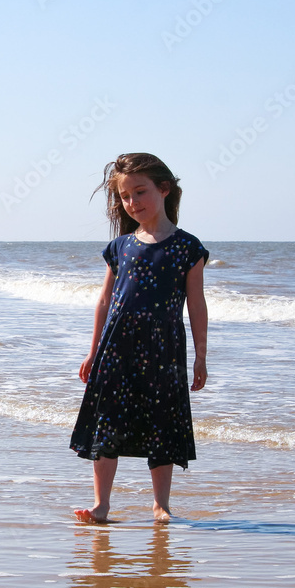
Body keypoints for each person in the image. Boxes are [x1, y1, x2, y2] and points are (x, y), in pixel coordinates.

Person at [70, 153, 209, 524]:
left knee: (162, 424)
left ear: (164, 189)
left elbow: (196, 303)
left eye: (140, 192)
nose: (133, 202)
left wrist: (200, 356)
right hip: (117, 348)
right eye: (125, 197)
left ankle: (161, 505)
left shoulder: (187, 247)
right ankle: (101, 505)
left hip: (164, 348)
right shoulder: (120, 247)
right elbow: (103, 301)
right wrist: (93, 350)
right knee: (107, 424)